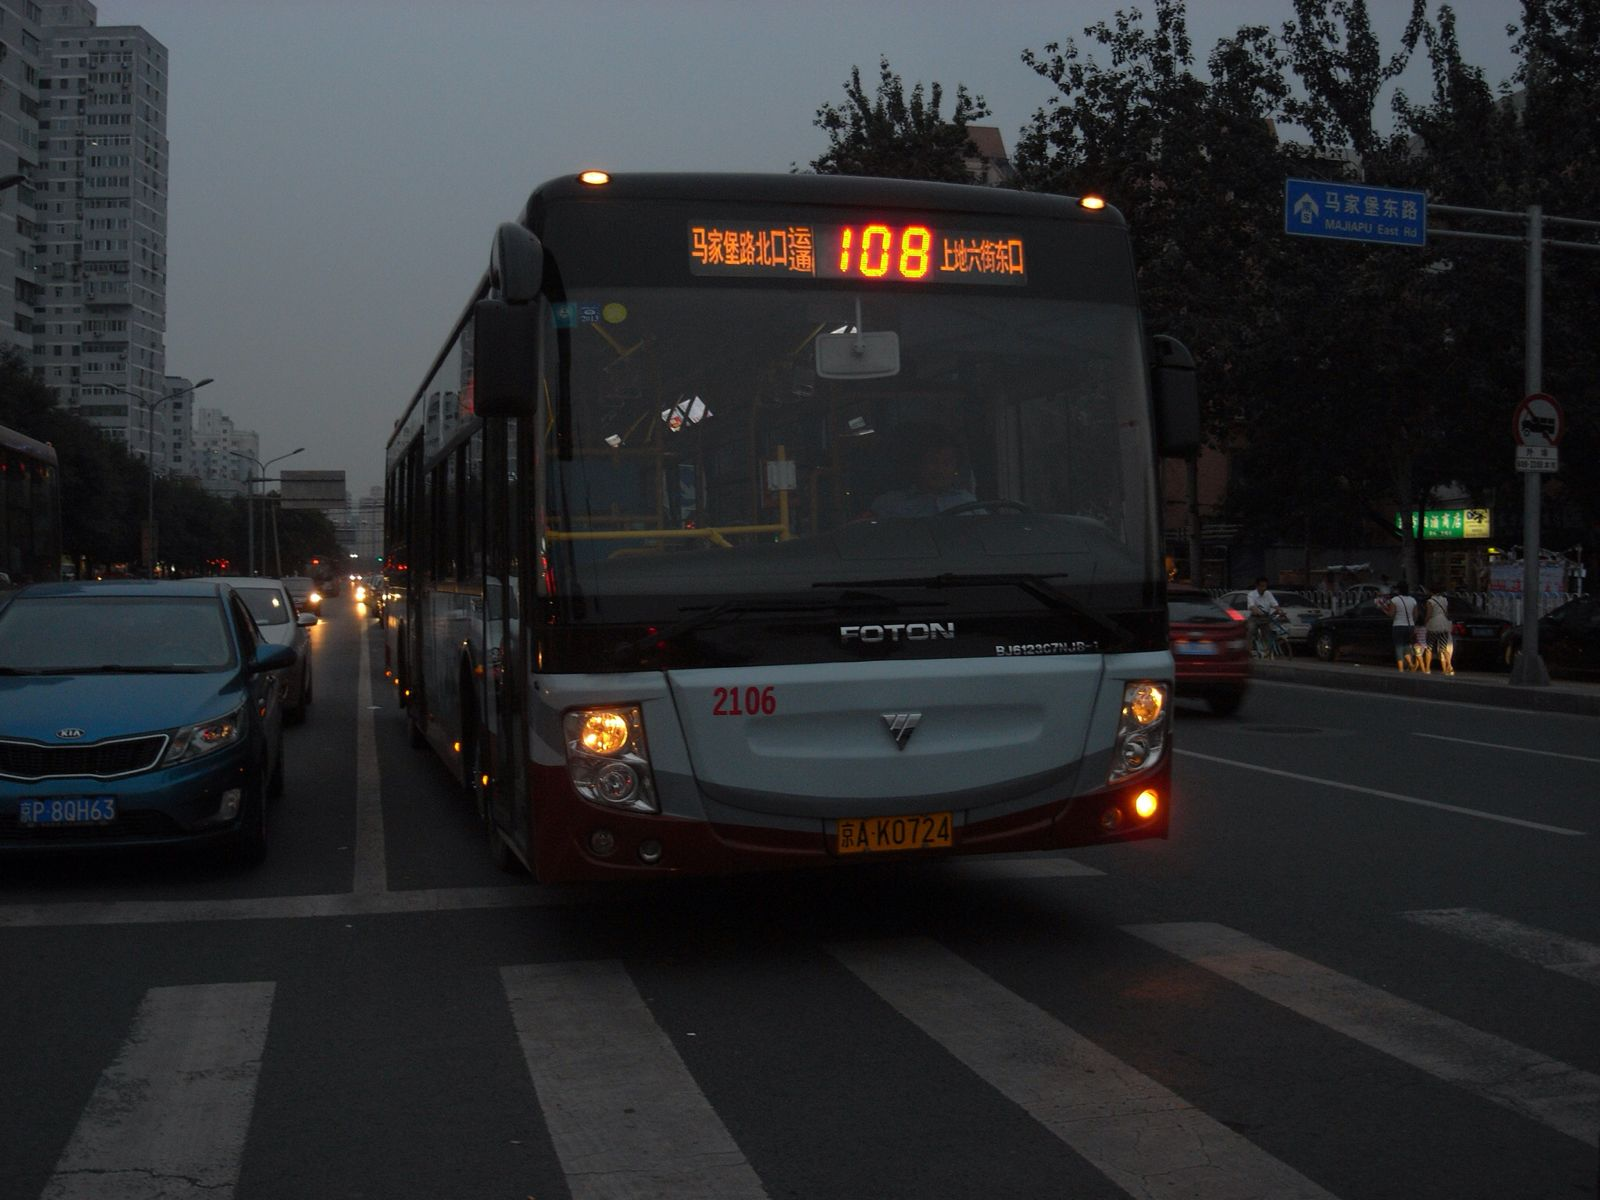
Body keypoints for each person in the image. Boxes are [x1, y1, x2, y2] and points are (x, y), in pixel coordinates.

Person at [869, 432, 977, 517]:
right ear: (918, 464)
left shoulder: (967, 501)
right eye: (932, 461)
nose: (939, 469)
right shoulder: (888, 504)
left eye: (947, 463)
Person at [1379, 582, 1420, 670]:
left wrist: (1383, 609)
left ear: (1398, 590)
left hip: (1398, 625)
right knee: (1407, 645)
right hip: (1410, 626)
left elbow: (1391, 614)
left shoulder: (1395, 600)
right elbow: (1416, 615)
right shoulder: (1412, 600)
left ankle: (1401, 667)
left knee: (1398, 646)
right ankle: (1410, 664)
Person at [1244, 576, 1281, 657]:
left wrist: (1279, 611)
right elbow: (1251, 606)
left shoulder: (1268, 594)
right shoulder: (1251, 594)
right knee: (1250, 631)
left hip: (1266, 618)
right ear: (1257, 586)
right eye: (1262, 586)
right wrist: (1257, 611)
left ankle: (1267, 652)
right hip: (1255, 618)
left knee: (1268, 634)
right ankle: (1248, 651)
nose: (1263, 588)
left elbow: (1274, 604)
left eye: (1265, 586)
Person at [1422, 585, 1454, 675]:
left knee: (1429, 648)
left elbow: (1429, 614)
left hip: (1433, 624)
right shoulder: (1445, 600)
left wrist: (1424, 623)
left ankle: (1427, 669)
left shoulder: (1430, 601)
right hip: (1444, 624)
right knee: (1443, 648)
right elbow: (1446, 613)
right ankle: (1450, 667)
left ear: (1430, 592)